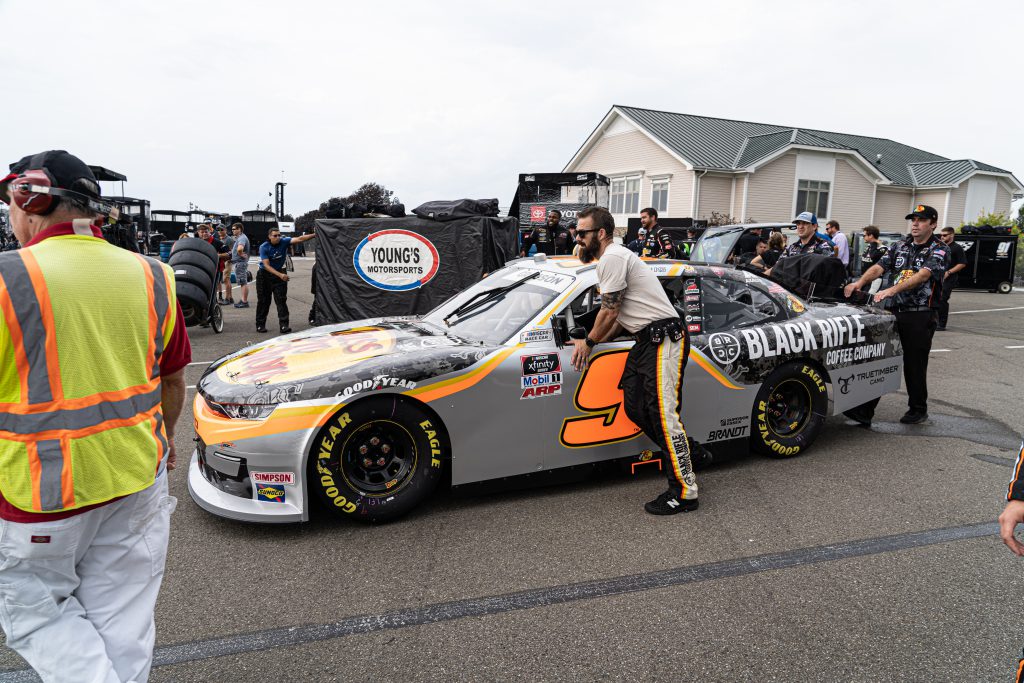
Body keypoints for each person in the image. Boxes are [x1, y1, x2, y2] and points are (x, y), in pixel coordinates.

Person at [0, 150, 190, 681]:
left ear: (29, 199)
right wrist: (167, 440)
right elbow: (171, 379)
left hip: (39, 493)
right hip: (136, 475)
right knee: (123, 623)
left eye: (10, 203)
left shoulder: (7, 278)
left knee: (39, 618)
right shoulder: (154, 275)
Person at [571, 206, 700, 515]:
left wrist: (589, 343)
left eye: (582, 233)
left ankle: (684, 492)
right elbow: (618, 317)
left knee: (663, 415)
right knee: (634, 406)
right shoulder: (609, 259)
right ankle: (687, 455)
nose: (577, 238)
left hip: (664, 338)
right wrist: (592, 335)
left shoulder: (613, 257)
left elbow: (611, 311)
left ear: (600, 234)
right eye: (576, 232)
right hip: (646, 341)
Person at [842, 204, 946, 425]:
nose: (915, 223)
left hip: (920, 314)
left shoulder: (939, 249)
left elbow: (923, 276)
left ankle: (918, 409)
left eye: (921, 220)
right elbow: (879, 267)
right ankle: (865, 410)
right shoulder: (900, 245)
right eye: (913, 219)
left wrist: (891, 290)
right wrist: (858, 283)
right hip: (892, 311)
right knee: (881, 358)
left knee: (914, 363)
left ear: (933, 224)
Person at [256, 227, 316, 333]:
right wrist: (280, 275)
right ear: (269, 236)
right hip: (264, 275)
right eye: (275, 235)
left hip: (279, 274)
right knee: (264, 301)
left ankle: (284, 325)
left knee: (281, 300)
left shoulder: (284, 241)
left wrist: (315, 234)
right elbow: (266, 265)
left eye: (279, 235)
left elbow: (300, 239)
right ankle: (260, 324)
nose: (278, 237)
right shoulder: (264, 247)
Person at [765, 211, 834, 276]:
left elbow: (823, 272)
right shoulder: (791, 248)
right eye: (798, 223)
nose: (800, 227)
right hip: (789, 287)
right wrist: (760, 278)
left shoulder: (823, 246)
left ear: (814, 226)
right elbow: (778, 267)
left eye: (804, 223)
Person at [937, 227, 966, 330]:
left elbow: (962, 264)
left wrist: (949, 272)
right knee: (935, 298)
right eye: (941, 235)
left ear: (951, 235)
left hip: (949, 278)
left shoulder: (957, 248)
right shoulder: (940, 247)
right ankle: (934, 321)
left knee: (942, 299)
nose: (942, 237)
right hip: (938, 276)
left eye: (945, 235)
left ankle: (941, 324)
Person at [230, 222, 251, 308]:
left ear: (240, 229)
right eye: (232, 229)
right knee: (243, 282)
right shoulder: (241, 237)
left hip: (240, 263)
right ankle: (243, 300)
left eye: (234, 229)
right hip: (240, 262)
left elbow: (240, 249)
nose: (233, 231)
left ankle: (244, 301)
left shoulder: (242, 238)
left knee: (243, 282)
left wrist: (241, 254)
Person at [218, 225, 235, 304]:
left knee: (226, 279)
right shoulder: (219, 238)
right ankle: (230, 298)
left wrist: (230, 260)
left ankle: (227, 298)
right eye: (218, 230)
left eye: (221, 229)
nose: (220, 231)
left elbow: (232, 251)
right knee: (226, 279)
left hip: (228, 261)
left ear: (225, 230)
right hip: (222, 261)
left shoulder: (229, 239)